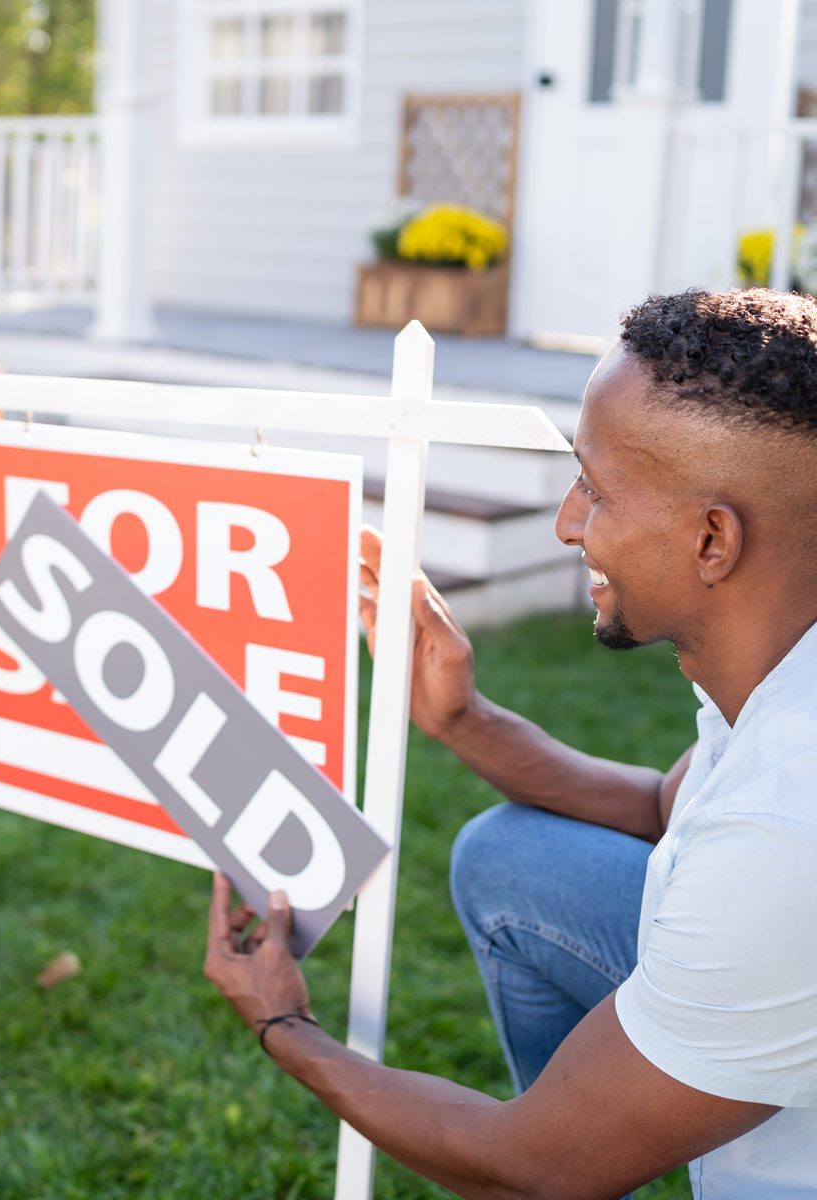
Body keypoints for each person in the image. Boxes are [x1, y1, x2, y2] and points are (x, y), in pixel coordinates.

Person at [204, 288, 817, 1199]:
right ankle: (631, 1108)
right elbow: (663, 808)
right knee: (510, 858)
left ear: (713, 540)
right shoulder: (777, 667)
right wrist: (463, 717)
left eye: (597, 490)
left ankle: (627, 1125)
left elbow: (531, 1168)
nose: (570, 522)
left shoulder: (782, 828)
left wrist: (285, 1029)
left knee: (564, 1156)